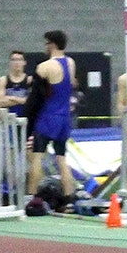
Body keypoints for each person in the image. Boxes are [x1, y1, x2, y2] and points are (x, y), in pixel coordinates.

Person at [26, 30, 77, 199]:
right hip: (64, 119)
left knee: (37, 157)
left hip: (48, 117)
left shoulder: (44, 67)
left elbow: (36, 99)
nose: (45, 47)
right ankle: (69, 197)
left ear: (52, 44)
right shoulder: (71, 63)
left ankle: (32, 197)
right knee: (61, 159)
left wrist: (28, 122)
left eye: (46, 43)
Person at [0, 50, 32, 117]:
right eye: (14, 60)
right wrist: (22, 100)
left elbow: (30, 101)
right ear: (10, 63)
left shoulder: (29, 80)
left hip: (25, 118)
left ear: (24, 62)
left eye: (19, 60)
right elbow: (1, 102)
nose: (16, 63)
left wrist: (11, 98)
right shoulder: (3, 80)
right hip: (8, 120)